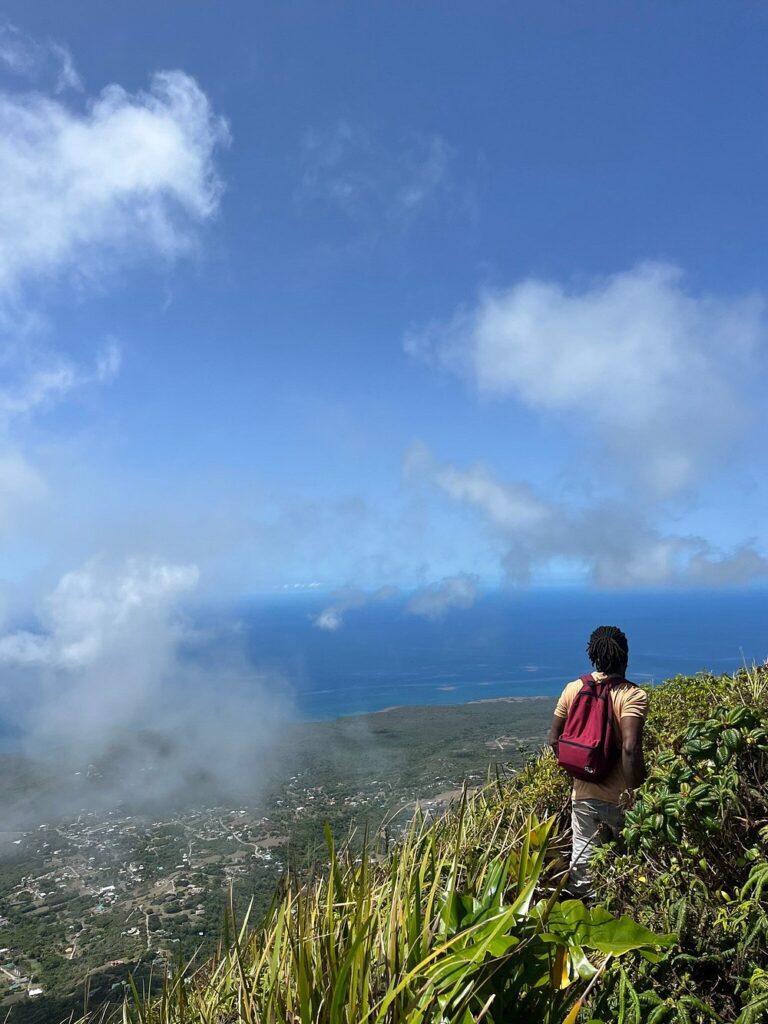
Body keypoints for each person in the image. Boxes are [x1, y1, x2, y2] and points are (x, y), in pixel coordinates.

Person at [547, 625, 648, 899]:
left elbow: (554, 740)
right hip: (621, 800)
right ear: (625, 656)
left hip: (582, 796)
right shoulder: (632, 696)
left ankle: (578, 927)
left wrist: (582, 768)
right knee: (628, 868)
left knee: (583, 871)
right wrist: (637, 792)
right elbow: (630, 747)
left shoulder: (573, 689)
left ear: (592, 656)